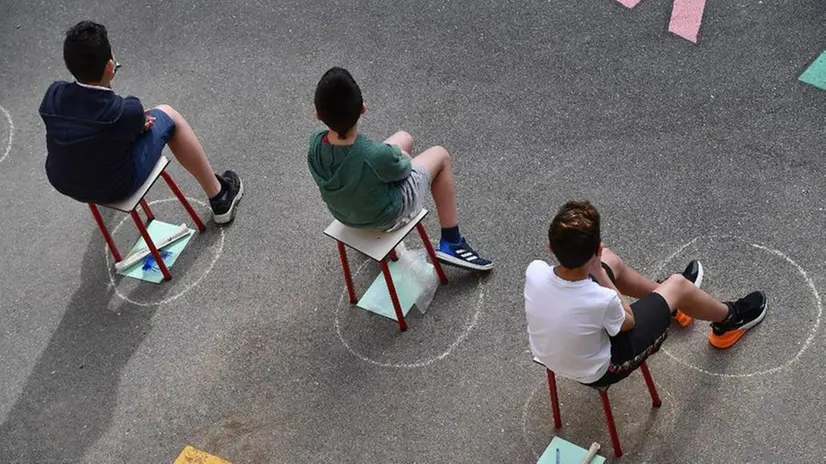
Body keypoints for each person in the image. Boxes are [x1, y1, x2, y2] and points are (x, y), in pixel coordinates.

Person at [524, 200, 767, 387]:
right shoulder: (602, 299)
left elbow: (587, 281)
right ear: (596, 249)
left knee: (613, 262)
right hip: (602, 370)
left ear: (550, 247)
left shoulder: (534, 270)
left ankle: (674, 298)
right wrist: (600, 272)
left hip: (548, 355)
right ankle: (729, 320)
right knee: (679, 283)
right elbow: (627, 321)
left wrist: (600, 265)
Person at [39, 21, 243, 224]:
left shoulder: (52, 95)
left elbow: (87, 120)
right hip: (115, 186)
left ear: (68, 65)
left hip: (64, 182)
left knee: (101, 142)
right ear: (110, 67)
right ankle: (220, 196)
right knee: (169, 115)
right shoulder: (125, 111)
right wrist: (136, 124)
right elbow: (127, 119)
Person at [307, 67, 492, 271]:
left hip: (345, 214)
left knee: (404, 137)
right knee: (440, 155)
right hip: (387, 217)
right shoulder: (374, 155)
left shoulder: (315, 145)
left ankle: (369, 203)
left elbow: (366, 159)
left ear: (318, 114)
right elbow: (404, 170)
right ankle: (452, 241)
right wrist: (401, 157)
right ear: (363, 109)